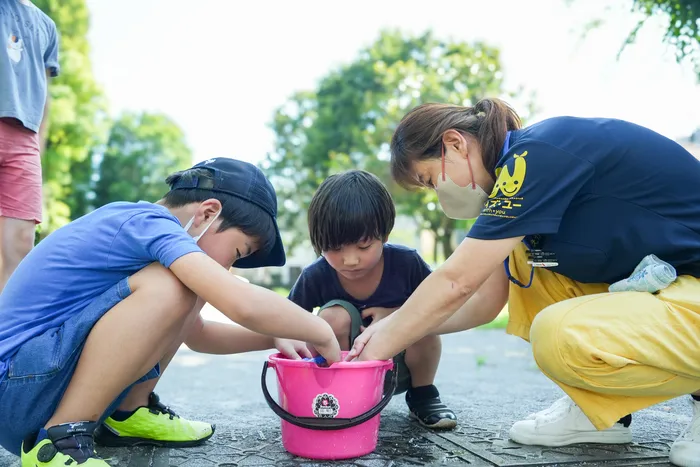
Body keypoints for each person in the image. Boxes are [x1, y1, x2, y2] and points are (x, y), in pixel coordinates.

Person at [347, 99, 700, 467]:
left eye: (431, 179)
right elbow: (483, 301)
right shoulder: (520, 187)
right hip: (673, 287)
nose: (439, 195)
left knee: (559, 334)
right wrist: (399, 323)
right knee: (527, 256)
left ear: (454, 143)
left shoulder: (533, 155)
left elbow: (458, 282)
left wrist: (377, 349)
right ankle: (597, 413)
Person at [0, 157, 341, 467]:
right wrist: (319, 329)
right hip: (14, 389)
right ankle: (60, 442)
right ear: (207, 213)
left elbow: (199, 334)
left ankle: (129, 412)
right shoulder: (145, 222)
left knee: (188, 282)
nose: (230, 267)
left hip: (35, 387)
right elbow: (241, 303)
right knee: (177, 282)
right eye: (237, 253)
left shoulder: (157, 245)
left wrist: (275, 335)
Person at [288, 169, 457, 429]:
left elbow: (441, 303)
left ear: (385, 235)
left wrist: (395, 315)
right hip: (340, 370)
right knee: (332, 317)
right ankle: (339, 396)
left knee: (423, 321)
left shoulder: (406, 263)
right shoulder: (316, 275)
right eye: (334, 249)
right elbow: (287, 320)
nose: (350, 260)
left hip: (398, 366)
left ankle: (423, 396)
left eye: (364, 247)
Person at [0, 0, 60, 292]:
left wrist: (39, 145)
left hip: (25, 139)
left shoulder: (47, 26)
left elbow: (44, 92)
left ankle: (4, 333)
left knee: (21, 243)